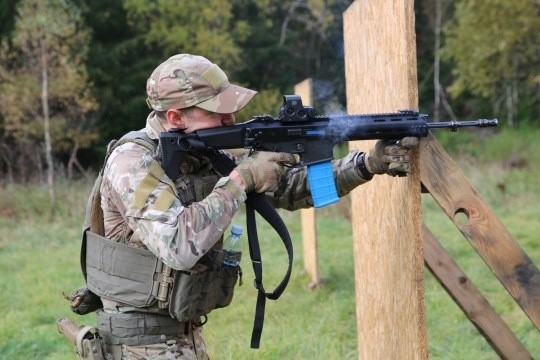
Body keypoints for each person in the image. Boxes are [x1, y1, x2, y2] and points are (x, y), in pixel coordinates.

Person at [69, 54, 418, 359]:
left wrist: (366, 164)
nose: (231, 118)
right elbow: (177, 245)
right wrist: (240, 181)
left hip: (180, 335)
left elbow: (288, 189)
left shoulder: (202, 153)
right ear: (175, 118)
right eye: (218, 111)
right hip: (136, 346)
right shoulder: (133, 162)